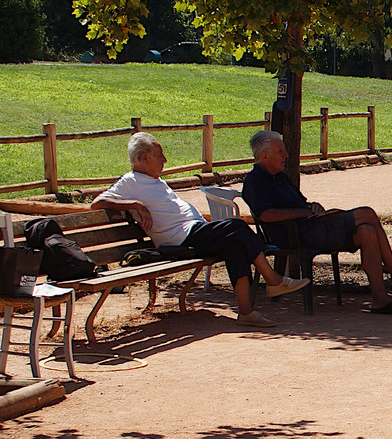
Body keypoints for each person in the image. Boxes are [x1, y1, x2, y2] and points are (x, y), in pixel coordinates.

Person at [93, 132, 308, 328]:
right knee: (237, 226)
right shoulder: (130, 182)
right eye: (160, 155)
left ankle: (246, 312)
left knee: (236, 243)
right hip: (181, 240)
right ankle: (273, 279)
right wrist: (134, 205)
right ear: (144, 158)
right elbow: (97, 202)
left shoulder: (155, 180)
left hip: (193, 232)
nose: (165, 160)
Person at [241, 130, 392, 316]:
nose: (286, 154)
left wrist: (312, 207)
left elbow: (299, 204)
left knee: (366, 231)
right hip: (298, 235)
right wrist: (304, 212)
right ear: (265, 156)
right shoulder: (255, 180)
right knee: (367, 213)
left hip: (312, 227)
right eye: (280, 151)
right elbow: (265, 215)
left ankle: (380, 299)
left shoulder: (280, 177)